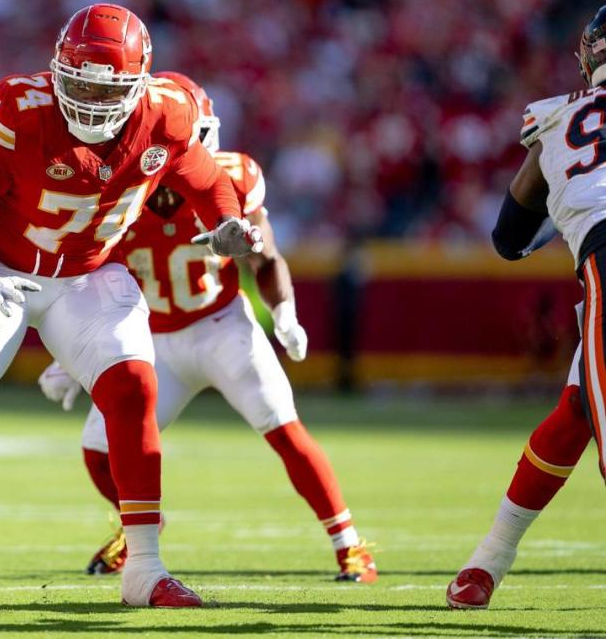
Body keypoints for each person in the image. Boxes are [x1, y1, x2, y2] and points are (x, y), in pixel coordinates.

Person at [0, 3, 262, 609]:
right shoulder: (21, 110)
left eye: (106, 85)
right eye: (79, 81)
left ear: (138, 84)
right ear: (57, 71)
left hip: (86, 276)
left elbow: (205, 179)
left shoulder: (167, 115)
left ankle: (144, 568)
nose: (90, 97)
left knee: (134, 391)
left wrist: (226, 221)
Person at [39, 72, 378, 583]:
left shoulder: (233, 178)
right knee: (98, 449)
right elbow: (85, 278)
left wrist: (283, 313)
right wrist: (71, 354)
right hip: (153, 340)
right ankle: (141, 530)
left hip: (223, 328)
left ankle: (350, 546)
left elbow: (264, 256)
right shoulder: (117, 192)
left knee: (283, 428)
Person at [446, 4, 606, 609]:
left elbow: (508, 237)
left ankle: (488, 562)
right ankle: (488, 561)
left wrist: (560, 216)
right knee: (576, 412)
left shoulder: (557, 119)